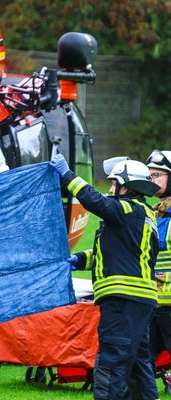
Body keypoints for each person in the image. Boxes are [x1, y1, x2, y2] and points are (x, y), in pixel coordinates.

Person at [60, 153, 160, 400]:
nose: (111, 189)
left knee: (111, 361)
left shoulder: (125, 209)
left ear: (126, 187)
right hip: (140, 302)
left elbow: (95, 202)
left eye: (114, 184)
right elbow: (118, 252)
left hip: (122, 301)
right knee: (137, 363)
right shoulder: (144, 214)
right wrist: (82, 259)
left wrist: (68, 176)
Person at [146, 150, 171, 367]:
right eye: (150, 175)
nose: (152, 180)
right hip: (155, 301)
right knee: (143, 357)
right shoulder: (155, 212)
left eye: (157, 175)